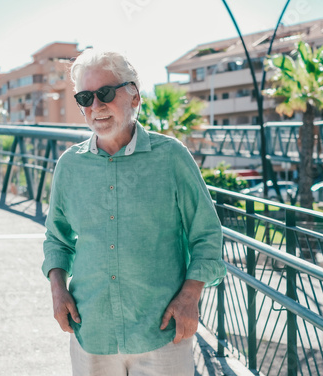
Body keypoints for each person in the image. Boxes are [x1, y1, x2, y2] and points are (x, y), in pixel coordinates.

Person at [42, 49, 226, 376]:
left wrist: (191, 296)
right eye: (85, 97)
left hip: (161, 332)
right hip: (92, 331)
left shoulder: (171, 158)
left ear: (134, 96)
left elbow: (207, 235)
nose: (96, 106)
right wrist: (57, 289)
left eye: (106, 94)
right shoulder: (69, 166)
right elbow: (57, 239)